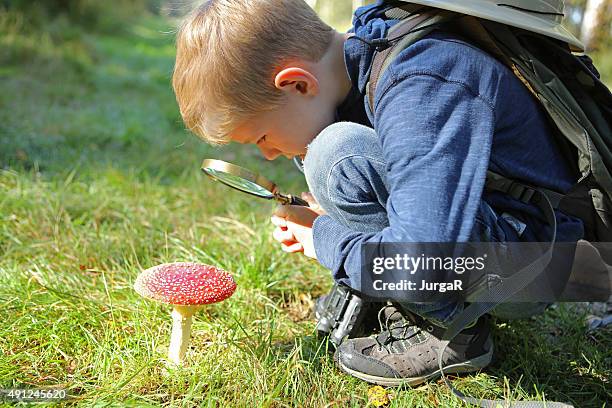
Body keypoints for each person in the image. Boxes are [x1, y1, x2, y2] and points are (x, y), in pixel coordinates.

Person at [172, 0, 585, 386]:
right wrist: (331, 210)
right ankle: (404, 299)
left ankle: (448, 330)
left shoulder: (421, 83)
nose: (268, 154)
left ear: (297, 84)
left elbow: (423, 265)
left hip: (545, 265)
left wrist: (323, 238)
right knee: (329, 157)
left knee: (334, 156)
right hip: (499, 233)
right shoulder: (367, 57)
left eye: (261, 137)